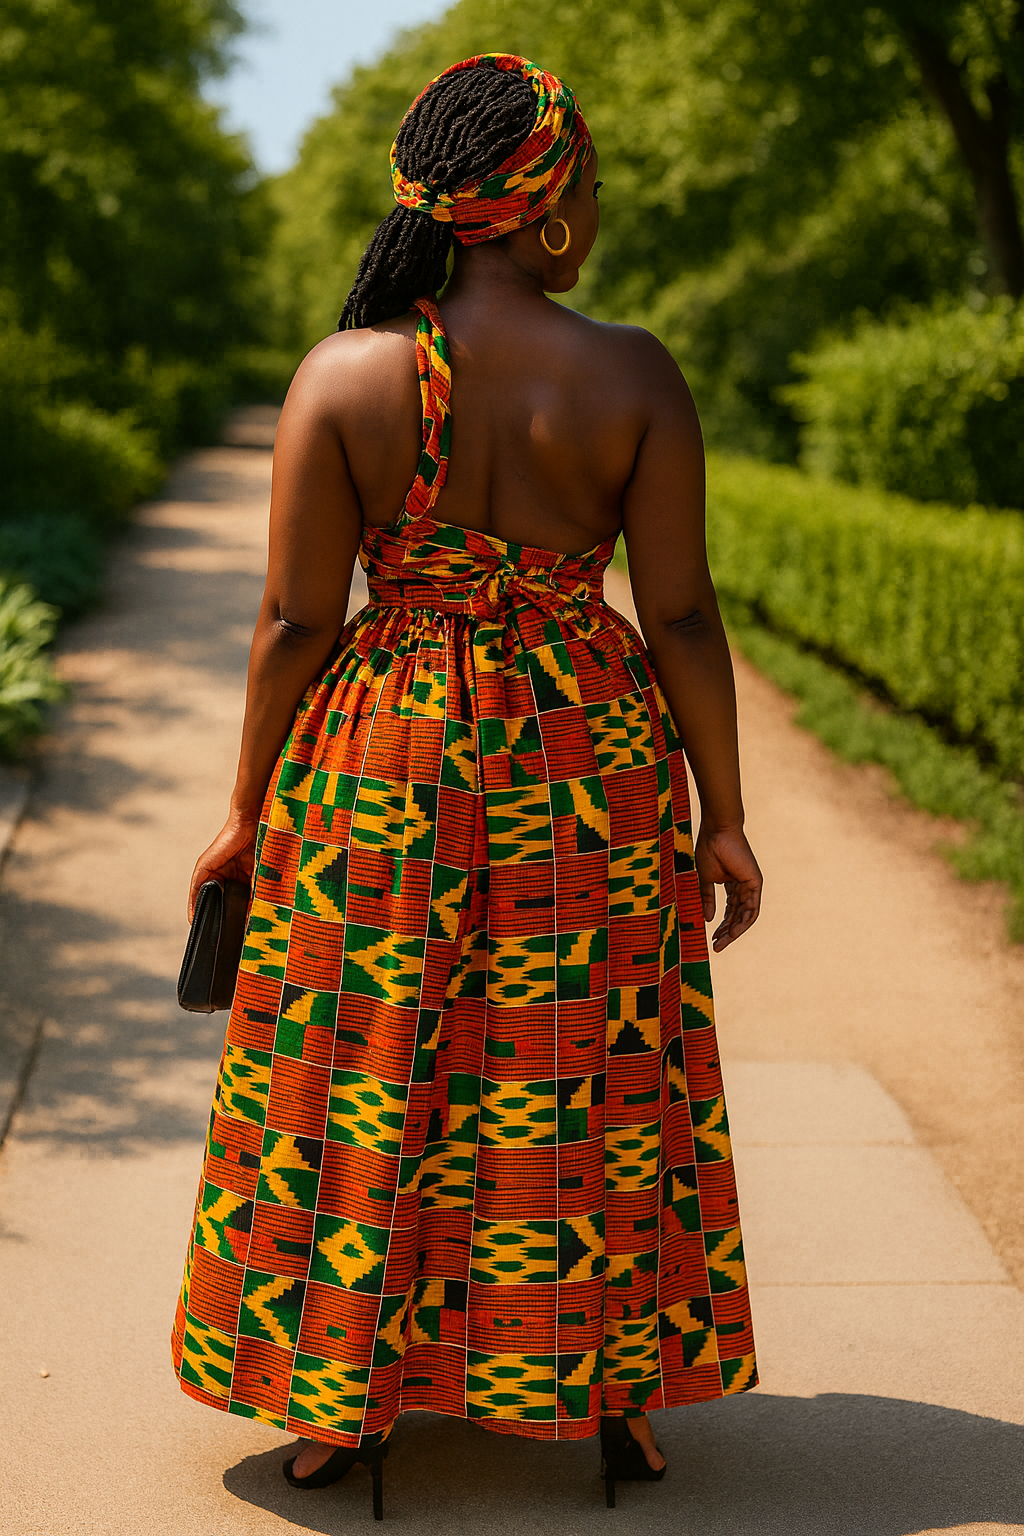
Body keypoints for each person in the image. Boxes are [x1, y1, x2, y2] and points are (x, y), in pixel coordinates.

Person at [172, 53, 762, 1517]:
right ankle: (616, 1399)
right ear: (547, 210)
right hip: (588, 762)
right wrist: (725, 817)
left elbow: (296, 621)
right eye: (592, 190)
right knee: (587, 1066)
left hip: (387, 758)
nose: (598, 216)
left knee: (367, 1064)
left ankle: (337, 1405)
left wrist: (246, 809)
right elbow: (683, 614)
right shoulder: (632, 374)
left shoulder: (346, 375)